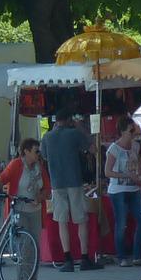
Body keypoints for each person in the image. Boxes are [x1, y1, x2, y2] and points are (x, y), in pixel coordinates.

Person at [40, 113, 96, 270]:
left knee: (62, 221)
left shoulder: (47, 137)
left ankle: (67, 259)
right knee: (80, 219)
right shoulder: (74, 134)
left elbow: (43, 156)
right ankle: (84, 257)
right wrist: (79, 127)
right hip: (75, 181)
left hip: (57, 182)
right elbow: (91, 148)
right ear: (69, 120)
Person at [0, 138, 47, 280]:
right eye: (36, 151)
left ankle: (33, 279)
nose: (38, 154)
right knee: (25, 245)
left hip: (35, 210)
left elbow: (47, 189)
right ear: (26, 151)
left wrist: (40, 197)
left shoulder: (39, 167)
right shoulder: (16, 164)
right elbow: (3, 178)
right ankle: (24, 279)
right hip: (19, 210)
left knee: (35, 245)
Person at [104, 121, 141, 269]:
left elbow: (138, 166)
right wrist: (127, 176)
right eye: (130, 130)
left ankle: (137, 254)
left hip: (133, 189)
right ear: (122, 132)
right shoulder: (114, 149)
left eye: (134, 130)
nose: (133, 133)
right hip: (118, 190)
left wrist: (138, 176)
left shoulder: (136, 146)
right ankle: (122, 257)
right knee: (121, 224)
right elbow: (107, 172)